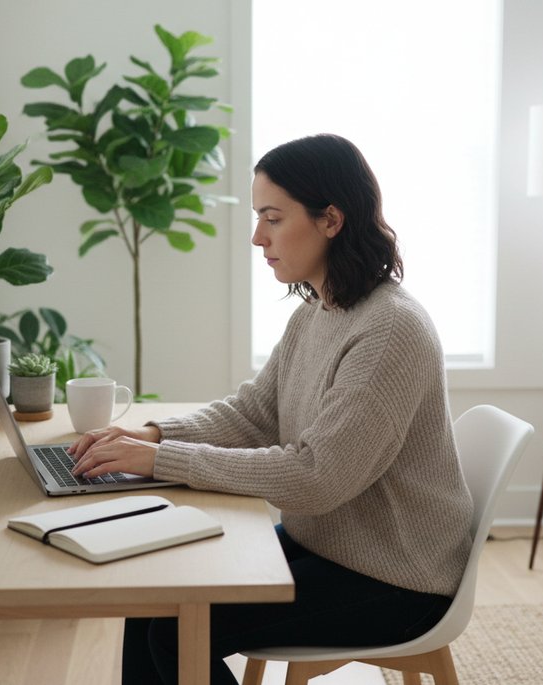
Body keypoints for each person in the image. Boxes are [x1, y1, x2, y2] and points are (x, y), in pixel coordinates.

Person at [68, 133, 473, 685]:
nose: (258, 237)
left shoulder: (389, 330)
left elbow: (317, 477)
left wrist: (162, 462)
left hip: (396, 578)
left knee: (174, 633)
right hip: (326, 545)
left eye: (273, 218)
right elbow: (253, 414)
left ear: (331, 219)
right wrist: (150, 436)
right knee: (155, 597)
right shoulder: (319, 311)